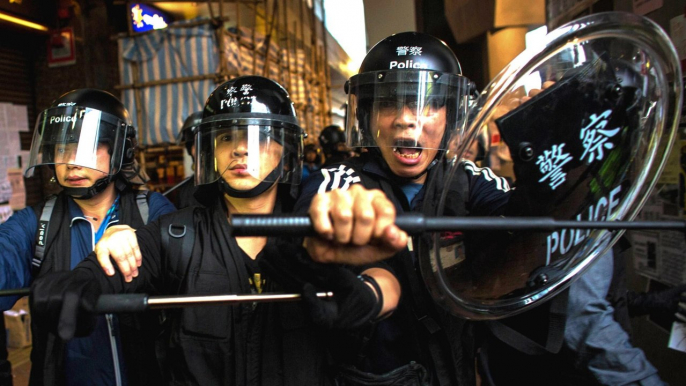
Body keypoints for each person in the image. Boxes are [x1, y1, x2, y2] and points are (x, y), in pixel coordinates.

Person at [29, 76, 407, 385]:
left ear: (285, 151)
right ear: (209, 150)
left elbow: (383, 279)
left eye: (259, 136)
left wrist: (369, 296)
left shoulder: (311, 230)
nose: (241, 149)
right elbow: (117, 268)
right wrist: (79, 281)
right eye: (226, 137)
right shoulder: (175, 234)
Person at [295, 31, 511, 385]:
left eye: (428, 105)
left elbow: (522, 225)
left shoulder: (468, 180)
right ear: (367, 117)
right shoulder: (337, 180)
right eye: (390, 103)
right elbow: (315, 222)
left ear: (450, 117)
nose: (407, 120)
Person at [0, 88, 176, 386]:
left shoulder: (152, 210)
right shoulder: (35, 222)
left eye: (86, 147)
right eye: (61, 149)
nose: (71, 162)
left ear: (119, 151)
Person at [164, 111, 203, 209]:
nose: (200, 151)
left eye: (205, 144)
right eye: (195, 145)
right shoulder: (184, 190)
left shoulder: (232, 184)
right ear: (190, 150)